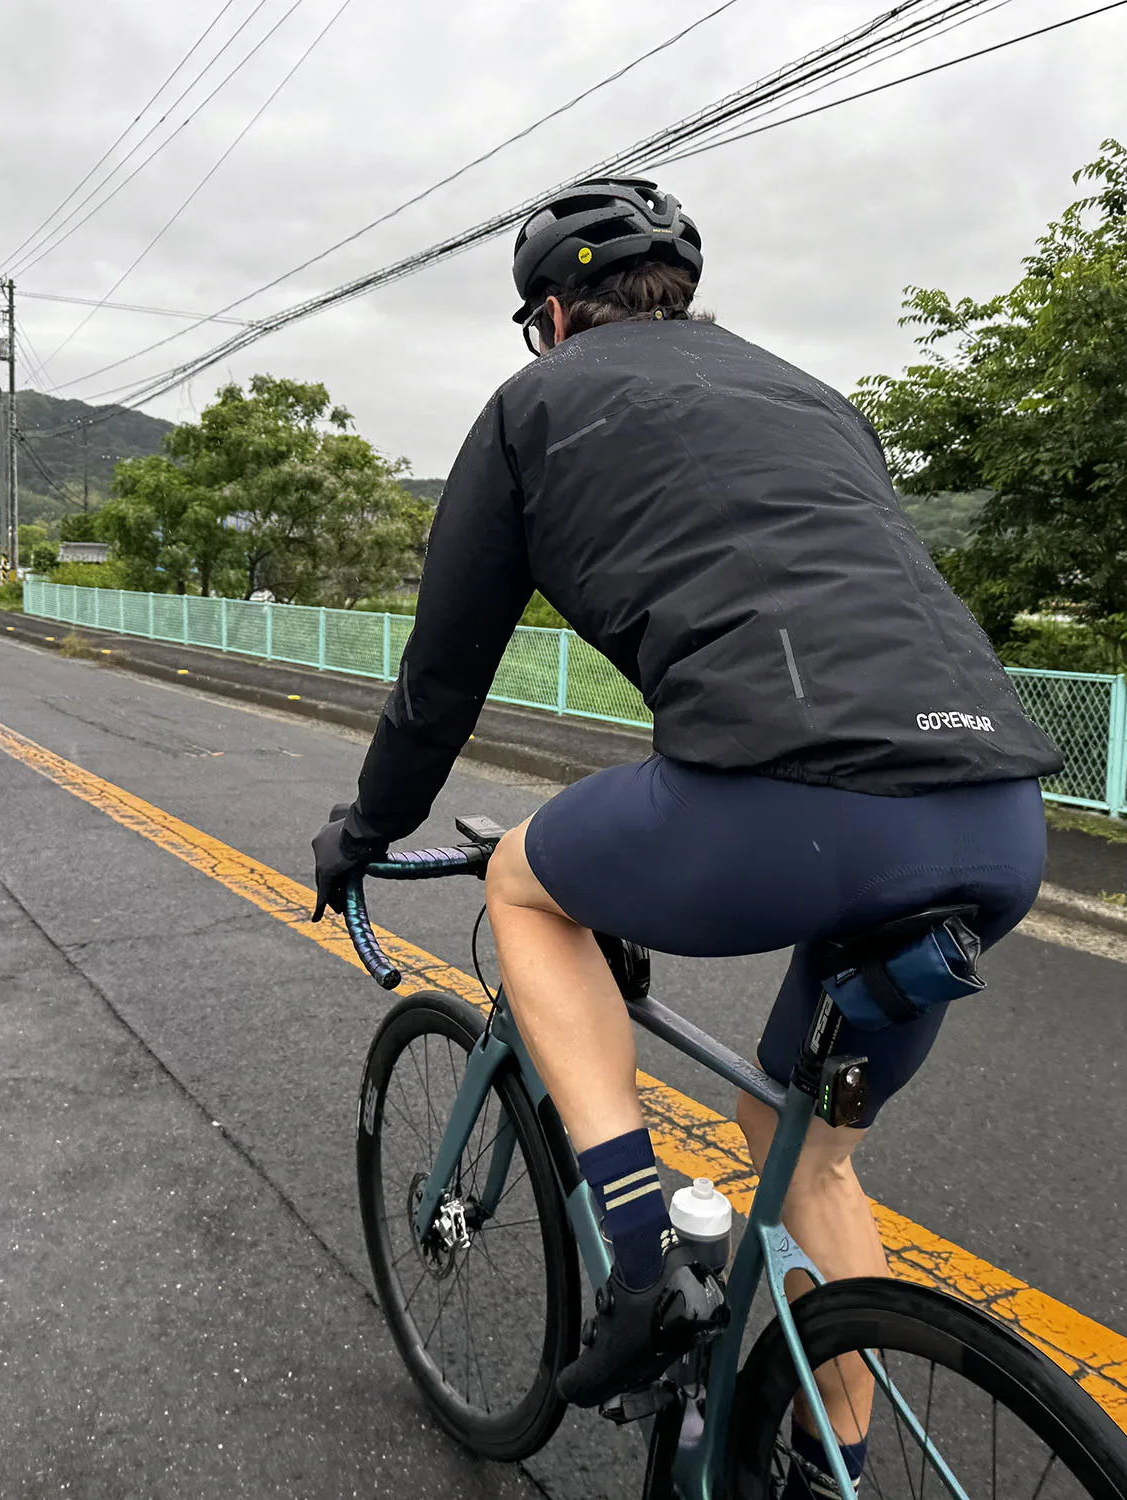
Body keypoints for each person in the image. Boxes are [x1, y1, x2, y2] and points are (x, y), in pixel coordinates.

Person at [313, 177, 1062, 1489]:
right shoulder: (819, 400)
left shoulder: (531, 408)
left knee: (529, 885)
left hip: (784, 806)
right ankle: (832, 1465)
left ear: (552, 314)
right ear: (681, 296)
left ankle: (641, 1252)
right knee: (805, 1147)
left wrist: (360, 831)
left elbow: (441, 686)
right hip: (994, 817)